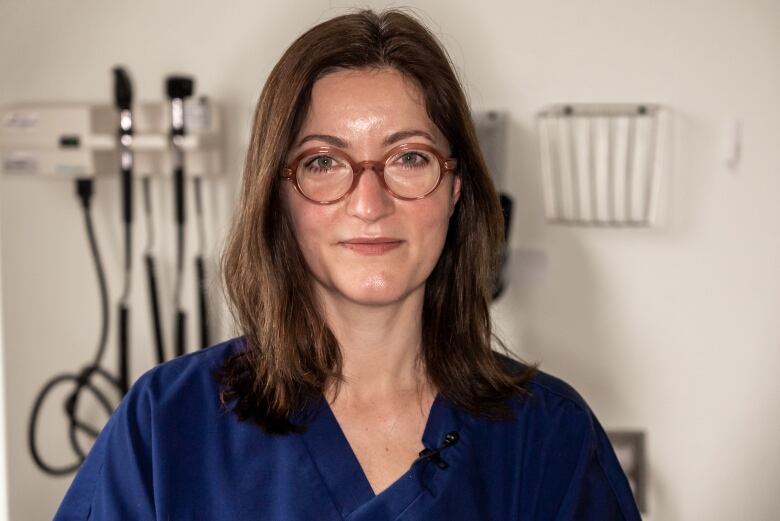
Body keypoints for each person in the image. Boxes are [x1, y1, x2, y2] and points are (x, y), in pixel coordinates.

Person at [55, 9, 642, 521]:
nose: (369, 204)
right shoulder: (166, 427)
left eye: (409, 157)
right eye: (324, 162)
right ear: (278, 195)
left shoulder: (547, 438)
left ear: (455, 189)